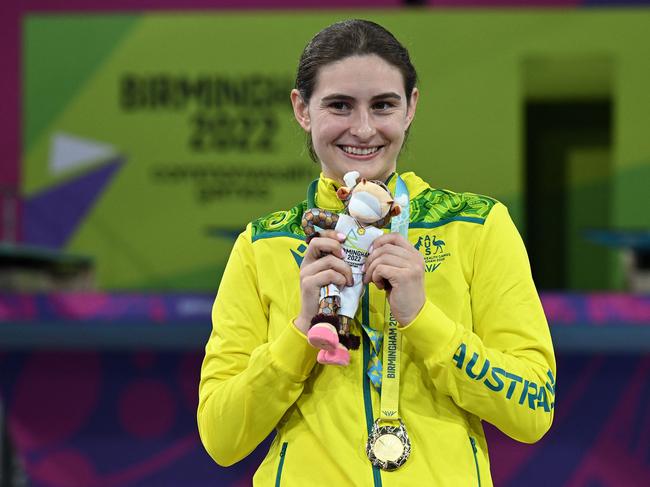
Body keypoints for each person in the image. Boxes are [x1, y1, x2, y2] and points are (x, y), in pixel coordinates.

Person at [198, 19, 556, 486]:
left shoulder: (477, 226)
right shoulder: (262, 244)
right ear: (302, 109)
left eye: (383, 105)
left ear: (411, 107)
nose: (363, 129)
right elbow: (221, 438)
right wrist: (300, 333)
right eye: (340, 105)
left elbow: (532, 410)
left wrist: (423, 320)